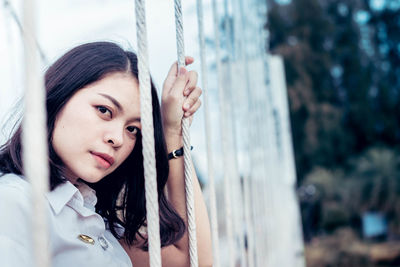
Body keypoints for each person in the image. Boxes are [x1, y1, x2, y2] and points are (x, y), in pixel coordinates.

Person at [0, 41, 213, 267]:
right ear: (59, 96)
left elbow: (191, 259)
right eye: (104, 110)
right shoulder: (15, 202)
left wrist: (173, 132)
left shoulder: (90, 218)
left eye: (132, 129)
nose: (118, 139)